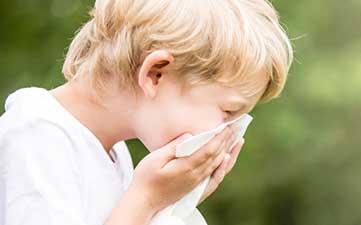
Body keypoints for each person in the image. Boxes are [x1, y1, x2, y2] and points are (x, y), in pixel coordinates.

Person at [0, 0, 293, 224]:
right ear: (155, 74)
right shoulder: (38, 134)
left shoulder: (114, 155)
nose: (229, 130)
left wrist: (171, 205)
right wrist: (147, 199)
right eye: (228, 111)